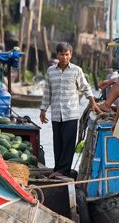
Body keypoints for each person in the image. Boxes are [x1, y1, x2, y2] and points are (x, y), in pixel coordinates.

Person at [40, 42, 101, 179]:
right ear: (57, 55)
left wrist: (92, 103)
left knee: (68, 143)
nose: (64, 57)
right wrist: (43, 110)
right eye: (62, 54)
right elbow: (47, 92)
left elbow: (86, 88)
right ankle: (58, 168)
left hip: (71, 113)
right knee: (58, 142)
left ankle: (63, 170)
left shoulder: (76, 70)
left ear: (71, 55)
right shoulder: (51, 71)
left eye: (67, 54)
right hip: (56, 113)